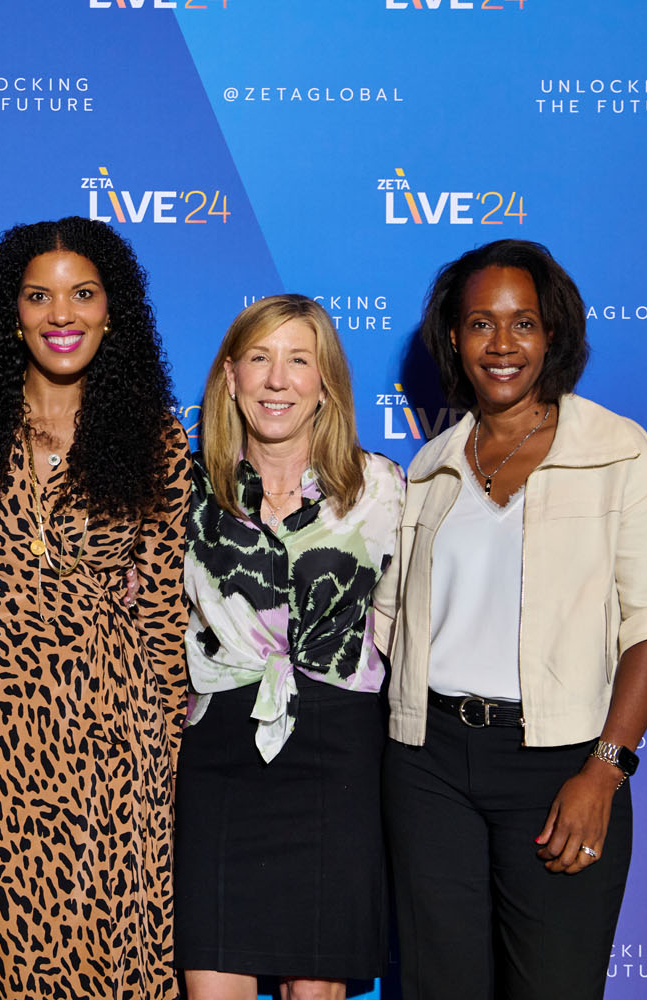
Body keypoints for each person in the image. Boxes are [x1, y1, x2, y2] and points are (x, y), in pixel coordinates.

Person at [376, 239, 647, 1000]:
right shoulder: (430, 468)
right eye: (481, 322)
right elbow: (389, 627)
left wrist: (604, 769)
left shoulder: (617, 452)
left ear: (552, 334)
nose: (503, 343)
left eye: (523, 322)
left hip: (557, 763)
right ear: (454, 339)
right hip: (427, 764)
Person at [0, 217, 190, 1000]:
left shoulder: (156, 437)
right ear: (13, 311)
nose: (61, 315)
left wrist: (169, 744)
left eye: (83, 294)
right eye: (39, 296)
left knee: (108, 930)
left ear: (115, 310)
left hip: (115, 727)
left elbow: (164, 607)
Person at [175, 295, 403, 1000]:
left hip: (339, 752)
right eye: (260, 359)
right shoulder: (182, 489)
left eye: (299, 361)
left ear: (326, 382)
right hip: (219, 752)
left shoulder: (383, 490)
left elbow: (402, 627)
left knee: (317, 991)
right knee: (211, 983)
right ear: (229, 378)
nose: (278, 380)